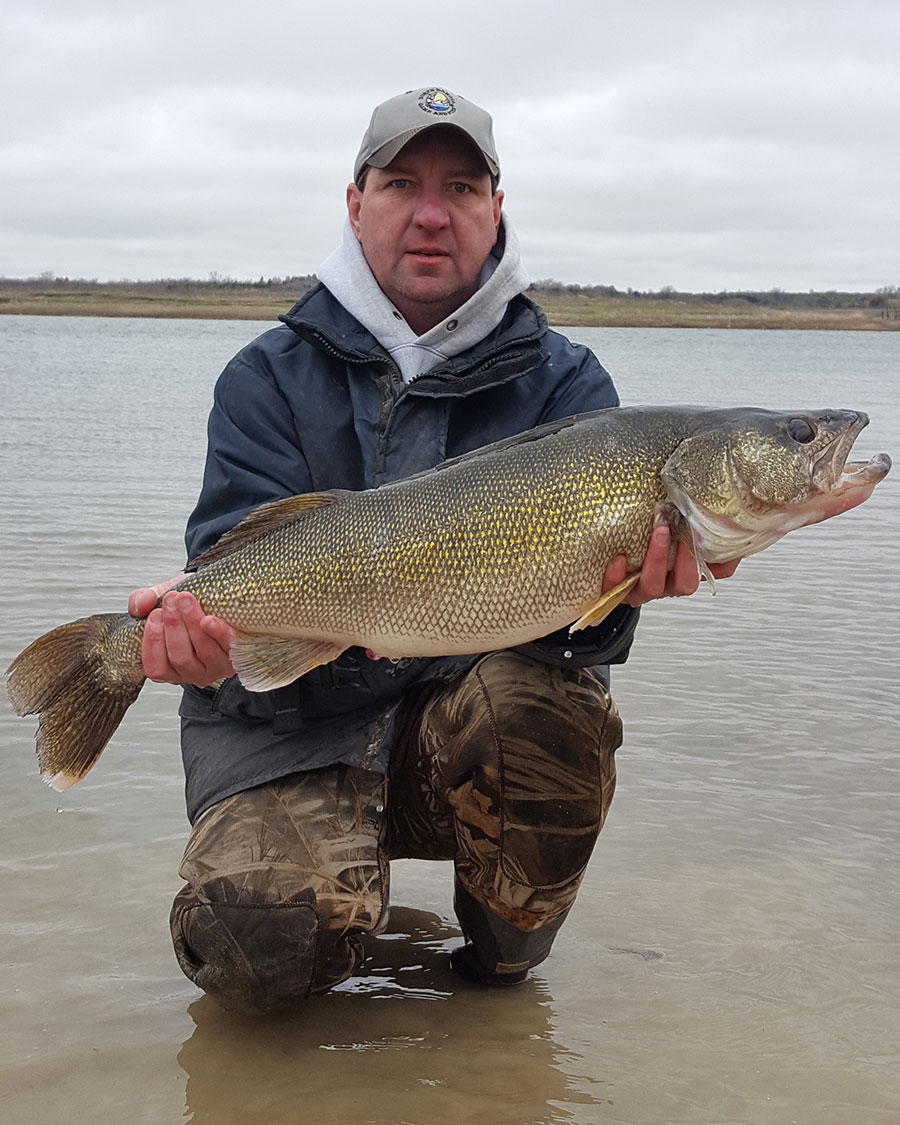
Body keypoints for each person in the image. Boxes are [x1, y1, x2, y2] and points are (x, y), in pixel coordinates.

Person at [129, 87, 737, 1015]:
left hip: (462, 730)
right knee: (254, 956)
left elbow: (584, 649)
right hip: (293, 733)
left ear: (496, 211)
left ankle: (498, 954)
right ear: (354, 202)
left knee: (549, 713)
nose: (429, 211)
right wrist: (205, 645)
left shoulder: (570, 385)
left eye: (460, 187)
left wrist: (625, 601)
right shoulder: (263, 378)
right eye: (401, 182)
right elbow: (232, 568)